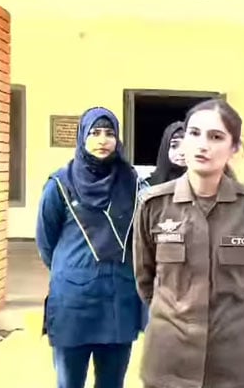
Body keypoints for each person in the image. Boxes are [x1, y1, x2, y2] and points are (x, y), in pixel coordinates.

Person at [133, 98, 244, 388]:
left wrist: (230, 323)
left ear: (234, 148)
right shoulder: (154, 205)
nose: (203, 145)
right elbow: (145, 280)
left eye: (216, 137)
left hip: (236, 363)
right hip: (169, 361)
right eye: (194, 133)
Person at [35, 107, 148, 388]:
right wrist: (75, 270)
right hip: (73, 301)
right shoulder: (60, 184)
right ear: (82, 137)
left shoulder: (132, 183)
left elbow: (141, 236)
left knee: (112, 383)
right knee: (69, 383)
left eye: (109, 133)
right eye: (94, 132)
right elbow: (46, 242)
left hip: (118, 300)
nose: (102, 140)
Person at [147, 120, 187, 185]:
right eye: (174, 146)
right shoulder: (147, 185)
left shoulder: (204, 184)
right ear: (166, 149)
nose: (182, 152)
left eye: (187, 146)